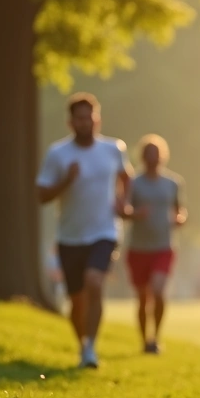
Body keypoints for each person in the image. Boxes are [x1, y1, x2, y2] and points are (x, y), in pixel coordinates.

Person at [36, 93, 133, 369]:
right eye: (79, 119)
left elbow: (127, 177)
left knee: (94, 282)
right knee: (76, 301)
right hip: (70, 236)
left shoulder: (113, 149)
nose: (85, 123)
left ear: (96, 119)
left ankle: (90, 348)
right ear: (71, 122)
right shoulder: (58, 154)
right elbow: (42, 195)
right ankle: (82, 345)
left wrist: (123, 202)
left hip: (105, 231)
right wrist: (67, 180)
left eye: (89, 117)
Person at [122, 134, 186, 355]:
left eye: (156, 154)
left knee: (158, 291)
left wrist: (179, 219)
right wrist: (135, 213)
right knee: (142, 299)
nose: (153, 158)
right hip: (138, 248)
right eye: (149, 154)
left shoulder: (173, 183)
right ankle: (145, 341)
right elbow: (123, 210)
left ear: (163, 157)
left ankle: (156, 337)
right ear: (143, 157)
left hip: (163, 247)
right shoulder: (134, 183)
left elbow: (180, 210)